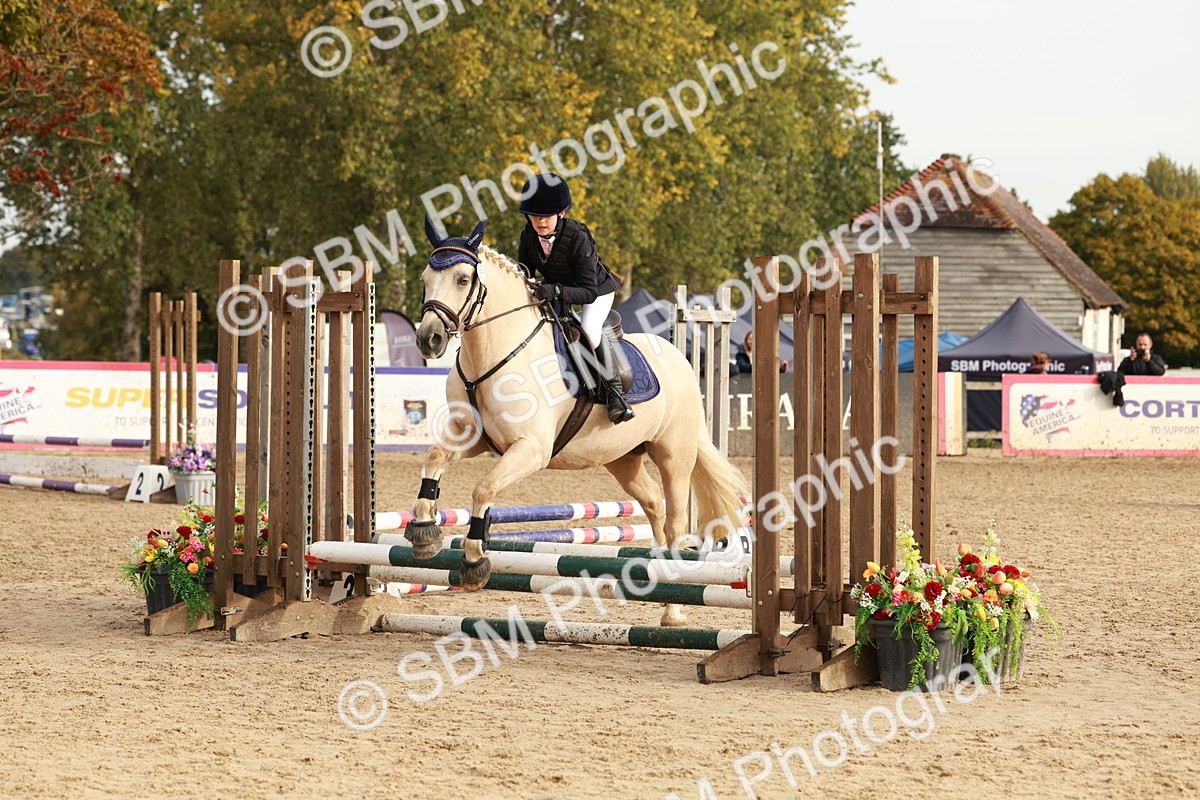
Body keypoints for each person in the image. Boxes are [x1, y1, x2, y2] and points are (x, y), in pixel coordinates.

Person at [517, 173, 633, 424]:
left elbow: (589, 291)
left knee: (589, 329)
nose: (539, 222)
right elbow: (524, 273)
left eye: (545, 216)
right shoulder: (528, 236)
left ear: (560, 214)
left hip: (596, 291)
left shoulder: (577, 237)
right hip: (559, 288)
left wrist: (557, 291)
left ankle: (616, 395)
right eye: (534, 215)